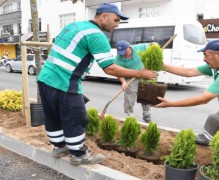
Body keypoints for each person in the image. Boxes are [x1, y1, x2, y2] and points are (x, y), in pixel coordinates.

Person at [37, 3, 156, 165]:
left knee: (54, 116)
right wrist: (140, 73)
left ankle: (59, 147)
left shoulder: (74, 25)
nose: (117, 24)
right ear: (103, 16)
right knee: (76, 117)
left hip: (45, 78)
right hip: (64, 81)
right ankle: (78, 155)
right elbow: (109, 68)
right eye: (115, 20)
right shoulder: (97, 35)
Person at [154, 39, 219, 146]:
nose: (204, 59)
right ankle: (206, 139)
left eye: (206, 55)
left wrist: (170, 104)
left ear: (218, 55)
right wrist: (161, 65)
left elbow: (203, 99)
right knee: (213, 119)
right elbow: (189, 72)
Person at [114, 40, 152, 122]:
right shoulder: (118, 58)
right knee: (129, 97)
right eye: (121, 52)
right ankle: (129, 116)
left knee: (146, 96)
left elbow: (153, 44)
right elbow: (117, 72)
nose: (123, 54)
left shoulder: (139, 48)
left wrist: (156, 49)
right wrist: (123, 82)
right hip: (131, 79)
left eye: (124, 51)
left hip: (144, 76)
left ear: (129, 47)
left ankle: (147, 115)